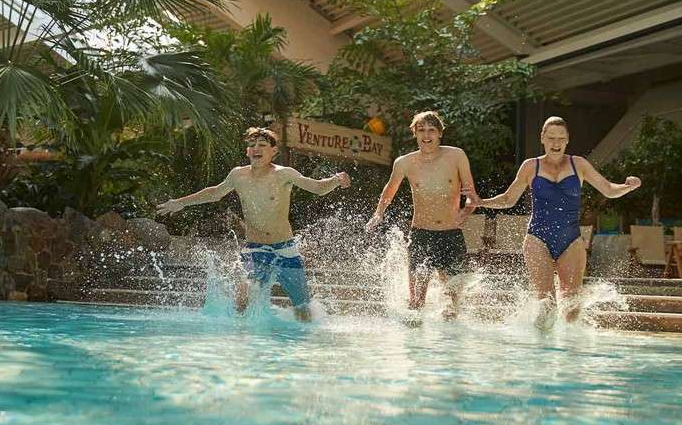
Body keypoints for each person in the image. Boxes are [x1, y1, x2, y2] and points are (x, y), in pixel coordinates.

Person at [157, 127, 350, 321]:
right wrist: (180, 202)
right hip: (255, 248)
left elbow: (317, 187)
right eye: (252, 145)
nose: (256, 149)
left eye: (262, 145)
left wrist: (335, 181)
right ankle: (244, 342)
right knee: (243, 299)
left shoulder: (284, 174)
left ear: (273, 151)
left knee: (302, 307)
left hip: (285, 249)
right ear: (247, 151)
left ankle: (304, 343)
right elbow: (215, 192)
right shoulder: (238, 176)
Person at [468, 116, 640, 328]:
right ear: (542, 138)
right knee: (546, 305)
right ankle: (541, 353)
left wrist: (627, 186)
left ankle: (568, 354)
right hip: (537, 238)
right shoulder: (531, 166)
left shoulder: (579, 164)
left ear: (567, 140)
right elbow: (508, 199)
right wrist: (481, 202)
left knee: (572, 306)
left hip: (571, 240)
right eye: (551, 138)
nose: (556, 143)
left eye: (561, 138)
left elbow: (608, 189)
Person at [366, 111, 478, 319]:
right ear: (415, 134)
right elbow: (389, 191)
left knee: (452, 306)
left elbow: (471, 194)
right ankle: (415, 348)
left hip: (450, 235)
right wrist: (378, 213)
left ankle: (448, 347)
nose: (427, 135)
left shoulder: (456, 156)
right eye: (422, 130)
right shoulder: (404, 163)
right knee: (416, 302)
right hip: (421, 236)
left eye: (431, 130)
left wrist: (467, 208)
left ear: (440, 134)